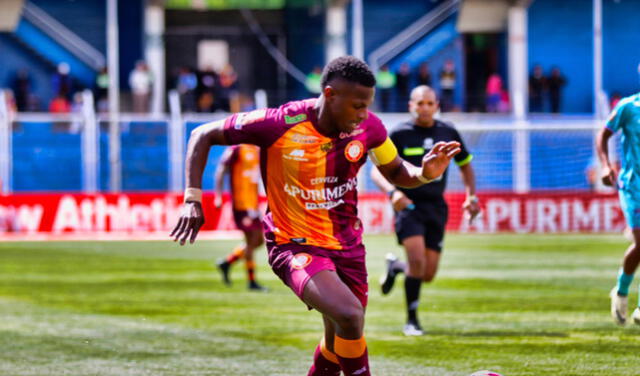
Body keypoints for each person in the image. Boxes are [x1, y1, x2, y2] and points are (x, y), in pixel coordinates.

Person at [170, 56, 461, 376]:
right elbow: (202, 134)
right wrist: (192, 199)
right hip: (294, 244)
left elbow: (395, 169)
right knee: (350, 317)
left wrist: (423, 174)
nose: (363, 114)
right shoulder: (280, 123)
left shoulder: (369, 127)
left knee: (338, 341)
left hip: (348, 246)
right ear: (330, 94)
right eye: (356, 106)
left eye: (367, 105)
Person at [371, 85, 480, 336]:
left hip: (436, 207)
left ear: (437, 105)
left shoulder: (448, 131)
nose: (425, 108)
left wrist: (471, 196)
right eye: (420, 103)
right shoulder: (398, 133)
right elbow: (377, 169)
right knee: (418, 261)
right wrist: (393, 192)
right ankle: (412, 320)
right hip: (408, 205)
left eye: (430, 103)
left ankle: (396, 267)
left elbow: (465, 166)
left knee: (427, 273)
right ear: (411, 105)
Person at [597, 91, 640, 326]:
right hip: (633, 185)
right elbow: (602, 135)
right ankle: (622, 291)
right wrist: (605, 166)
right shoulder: (628, 106)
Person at [214, 144, 267, 291]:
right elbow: (221, 170)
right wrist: (218, 196)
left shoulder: (256, 149)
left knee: (258, 241)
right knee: (251, 240)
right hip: (241, 203)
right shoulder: (236, 149)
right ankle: (251, 282)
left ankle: (227, 263)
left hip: (253, 203)